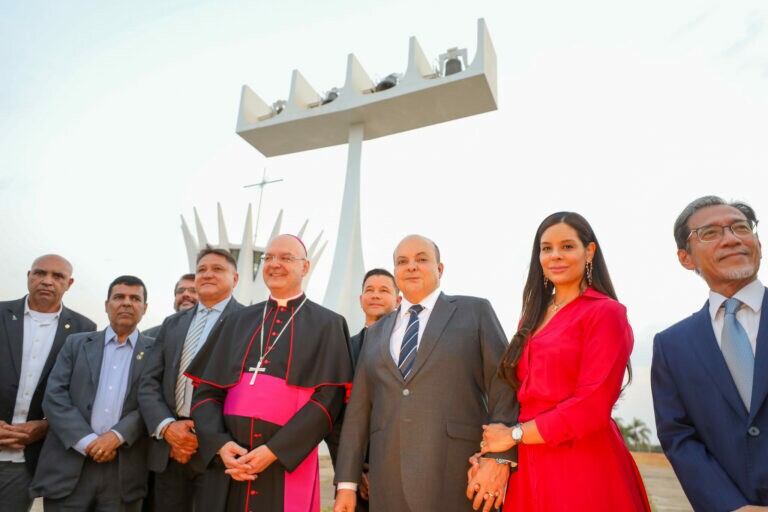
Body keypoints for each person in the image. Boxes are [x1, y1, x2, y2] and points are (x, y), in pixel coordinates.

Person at [480, 212, 650, 511]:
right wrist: (496, 453)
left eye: (567, 246)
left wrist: (513, 435)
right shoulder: (530, 317)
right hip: (529, 464)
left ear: (590, 252)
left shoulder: (606, 313)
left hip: (580, 460)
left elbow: (591, 407)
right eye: (546, 248)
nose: (555, 255)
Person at [334, 234, 516, 512]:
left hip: (460, 477)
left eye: (421, 259)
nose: (411, 267)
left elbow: (504, 387)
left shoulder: (475, 312)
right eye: (402, 261)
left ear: (440, 269)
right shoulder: (375, 334)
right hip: (388, 483)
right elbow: (358, 414)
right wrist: (346, 485)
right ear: (395, 271)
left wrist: (499, 458)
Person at [185, 234, 353, 511]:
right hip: (229, 464)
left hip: (287, 461)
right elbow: (205, 393)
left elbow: (328, 403)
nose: (275, 264)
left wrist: (275, 450)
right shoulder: (236, 321)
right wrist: (220, 444)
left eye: (286, 258)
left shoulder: (329, 324)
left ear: (305, 267)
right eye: (269, 258)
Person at [652, 196, 768, 511]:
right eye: (711, 233)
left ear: (757, 241)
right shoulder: (672, 345)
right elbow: (679, 436)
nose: (731, 239)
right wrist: (730, 506)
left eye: (740, 228)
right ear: (685, 258)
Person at [29, 275, 153, 511]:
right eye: (119, 297)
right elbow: (54, 397)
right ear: (107, 305)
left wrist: (116, 436)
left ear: (144, 308)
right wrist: (88, 442)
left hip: (123, 472)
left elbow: (152, 402)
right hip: (69, 467)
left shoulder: (156, 350)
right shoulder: (76, 344)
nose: (126, 303)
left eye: (134, 298)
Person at [138, 249, 243, 511]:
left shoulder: (249, 322)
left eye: (217, 269)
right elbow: (149, 383)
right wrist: (167, 428)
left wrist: (207, 435)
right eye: (202, 269)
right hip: (170, 449)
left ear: (235, 278)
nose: (207, 274)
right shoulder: (172, 324)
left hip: (221, 451)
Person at [0, 255, 96, 512]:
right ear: (28, 276)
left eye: (57, 276)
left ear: (70, 283)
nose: (47, 281)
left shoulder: (84, 330)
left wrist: (45, 425)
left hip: (27, 459)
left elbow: (79, 395)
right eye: (40, 273)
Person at [326, 268, 401, 510]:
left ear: (399, 300)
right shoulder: (343, 350)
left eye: (384, 290)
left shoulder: (411, 351)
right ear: (360, 300)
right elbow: (333, 416)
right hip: (355, 478)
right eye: (369, 290)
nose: (375, 295)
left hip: (402, 470)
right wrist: (353, 471)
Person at [143, 274, 198, 338]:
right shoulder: (148, 337)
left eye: (193, 291)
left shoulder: (211, 334)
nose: (185, 294)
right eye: (180, 291)